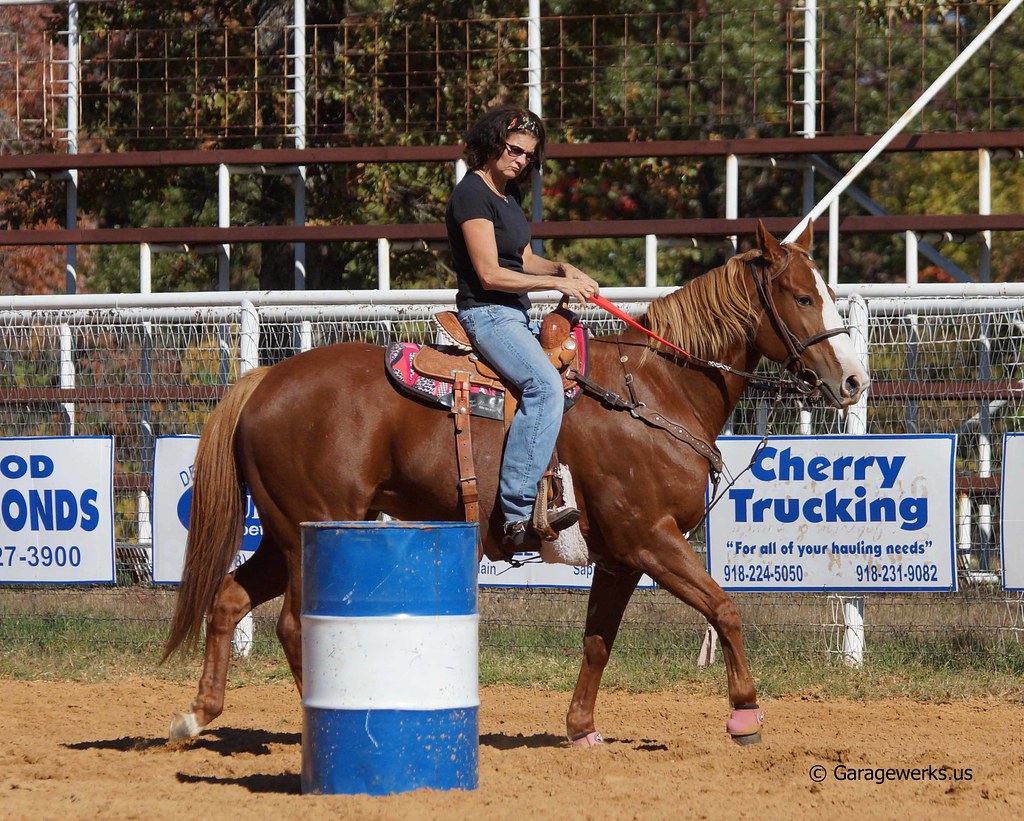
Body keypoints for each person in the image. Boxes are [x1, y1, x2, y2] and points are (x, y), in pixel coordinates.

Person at [445, 103, 600, 552]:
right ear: (492, 145)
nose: (520, 160)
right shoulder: (471, 195)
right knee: (545, 387)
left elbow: (525, 259)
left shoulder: (509, 199)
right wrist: (556, 283)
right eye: (513, 150)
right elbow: (491, 274)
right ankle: (517, 512)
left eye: (529, 155)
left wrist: (561, 266)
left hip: (515, 314)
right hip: (488, 313)